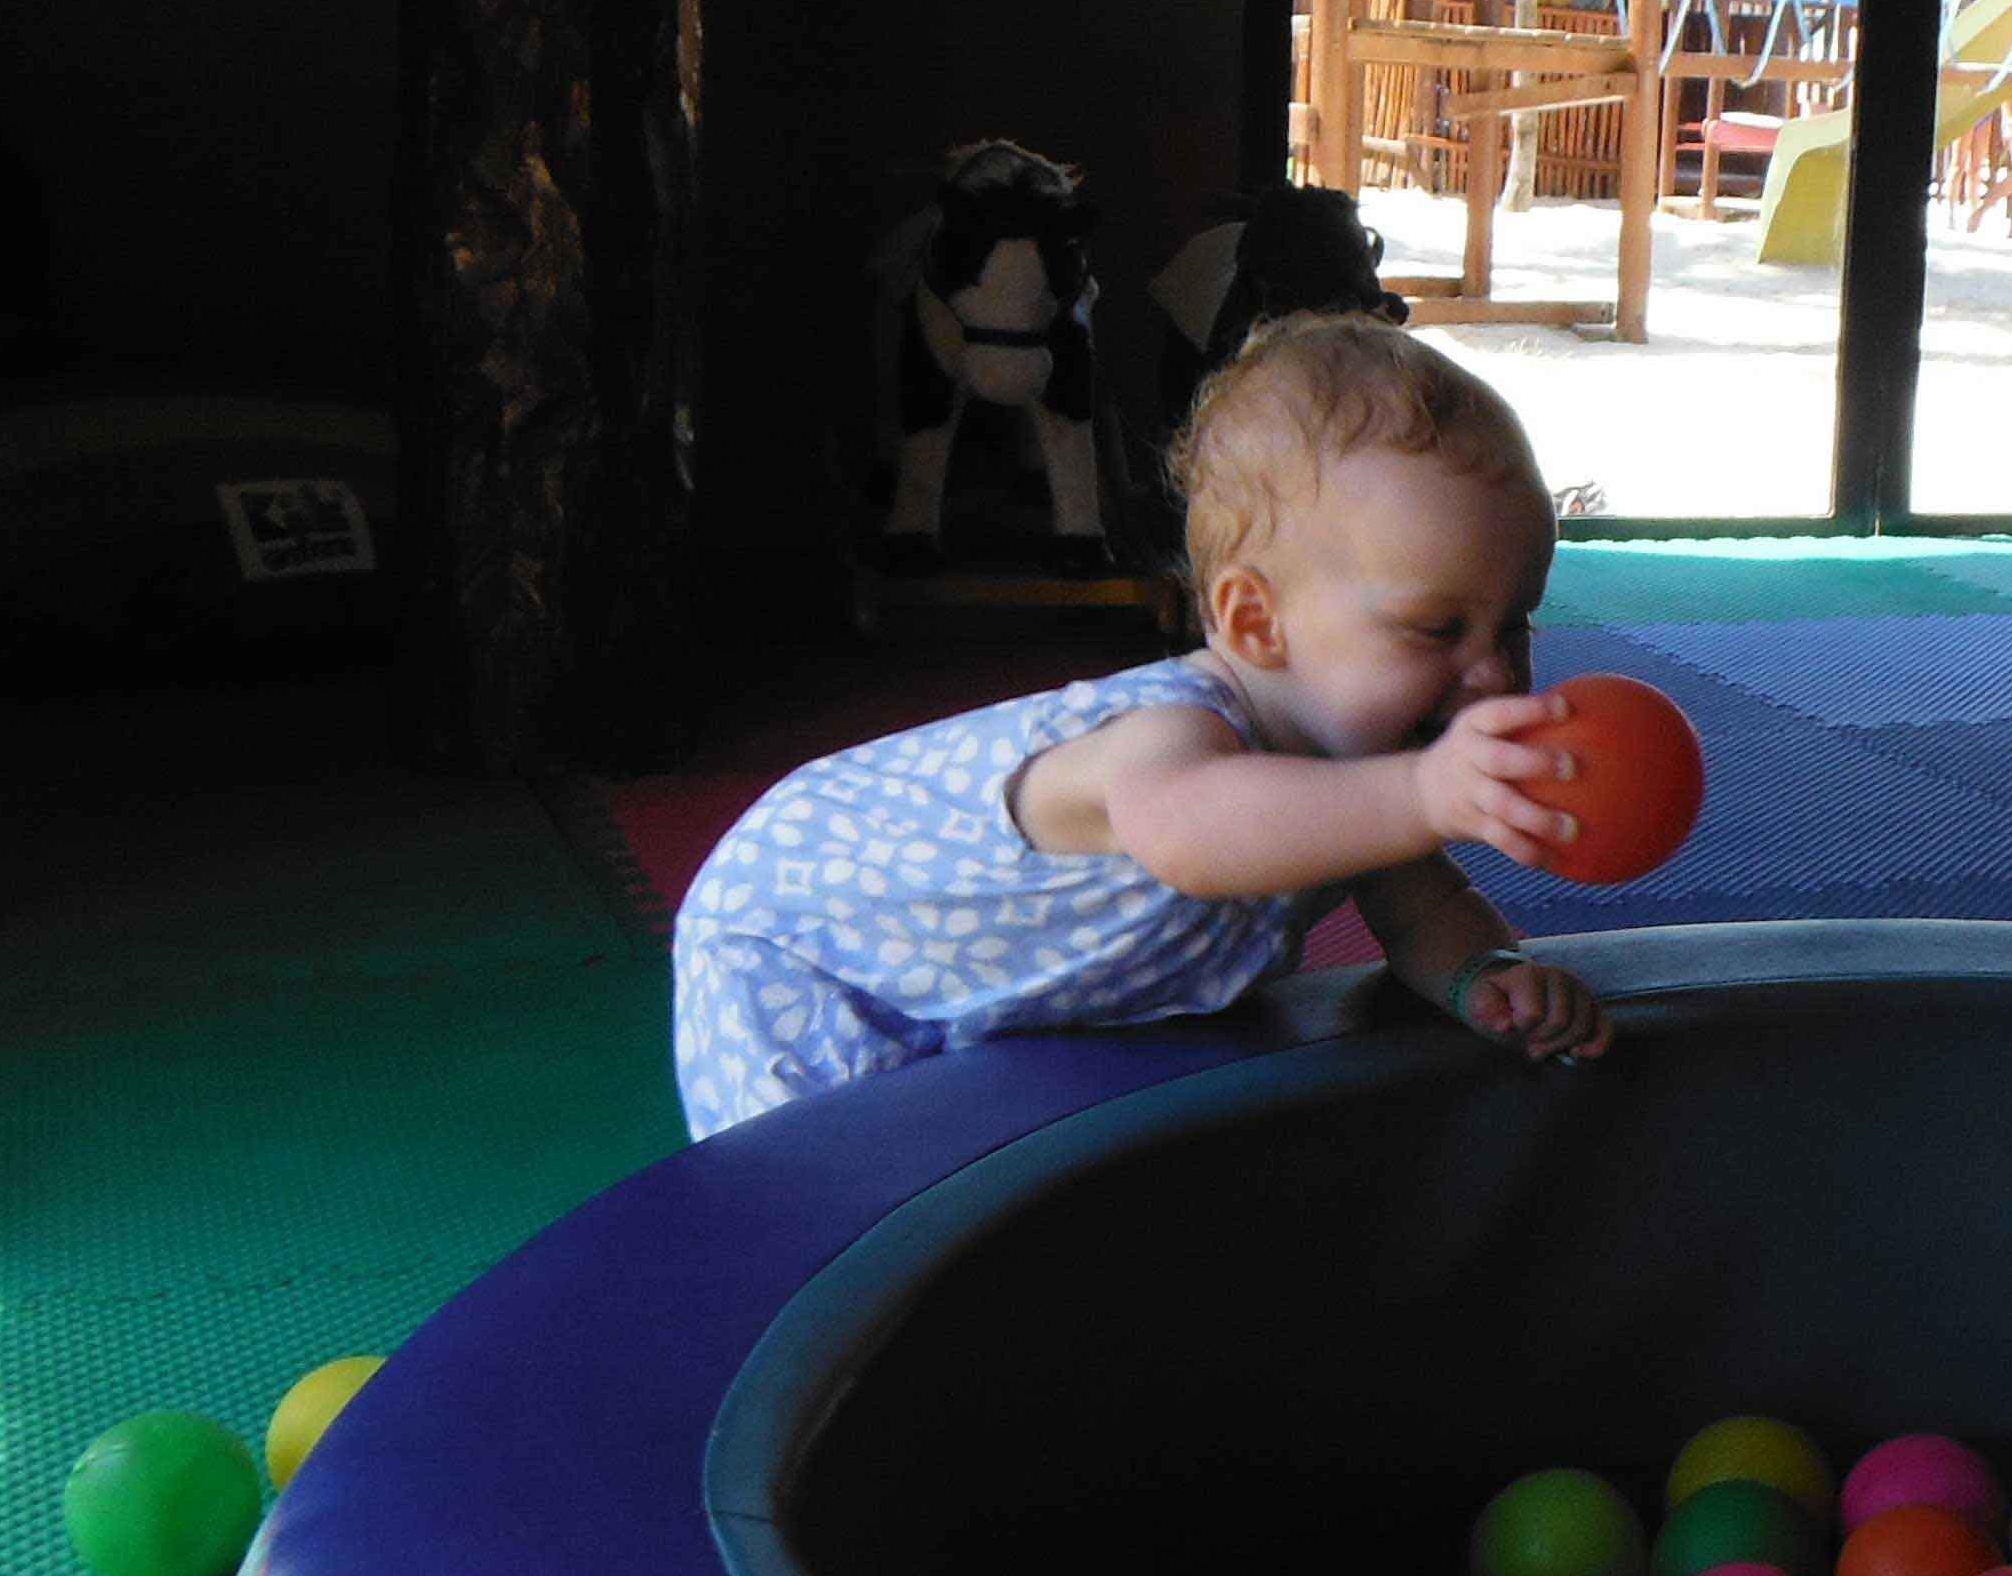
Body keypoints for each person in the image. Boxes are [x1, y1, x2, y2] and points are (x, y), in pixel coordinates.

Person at [672, 314, 1612, 1137]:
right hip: (806, 946)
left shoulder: (1364, 785)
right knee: (832, 1202)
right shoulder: (1176, 737)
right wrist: (1422, 794)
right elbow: (1194, 832)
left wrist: (1484, 977)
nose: (1493, 673)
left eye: (1515, 623)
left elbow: (1425, 911)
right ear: (1256, 623)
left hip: (975, 994)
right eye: (1437, 628)